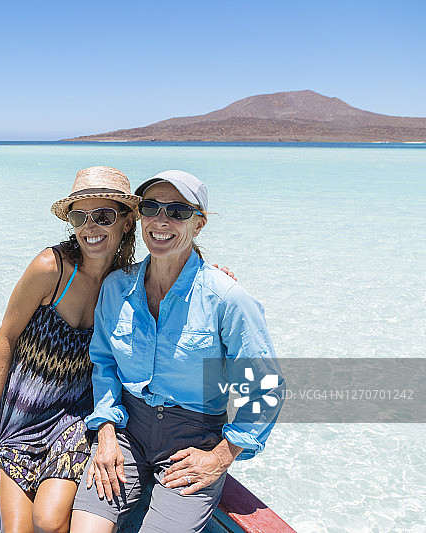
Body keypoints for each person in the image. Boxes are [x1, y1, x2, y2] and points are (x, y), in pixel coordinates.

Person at [71, 170, 285, 533]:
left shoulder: (226, 298)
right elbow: (104, 362)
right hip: (127, 432)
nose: (161, 219)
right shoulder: (116, 287)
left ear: (199, 224)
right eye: (152, 207)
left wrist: (221, 457)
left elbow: (263, 386)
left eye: (178, 211)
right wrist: (105, 429)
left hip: (193, 442)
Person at [0, 166, 142, 533]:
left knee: (49, 522)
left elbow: (175, 274)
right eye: (80, 217)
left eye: (103, 216)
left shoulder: (127, 281)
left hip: (75, 417)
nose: (90, 227)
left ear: (125, 223)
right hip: (23, 414)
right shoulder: (51, 268)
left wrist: (212, 273)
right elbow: (7, 336)